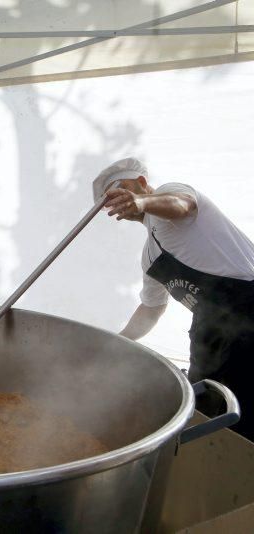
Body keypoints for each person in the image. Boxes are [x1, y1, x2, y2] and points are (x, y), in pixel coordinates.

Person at [94, 157, 254, 440]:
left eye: (121, 190)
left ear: (142, 183)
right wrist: (118, 342)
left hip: (248, 309)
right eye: (109, 200)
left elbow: (182, 205)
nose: (118, 201)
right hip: (211, 335)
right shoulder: (149, 257)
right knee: (210, 414)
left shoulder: (174, 194)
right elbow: (151, 309)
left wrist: (143, 203)